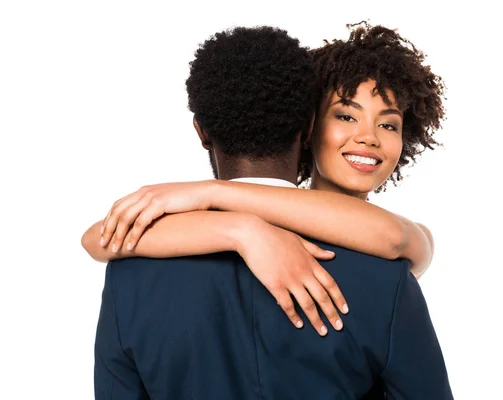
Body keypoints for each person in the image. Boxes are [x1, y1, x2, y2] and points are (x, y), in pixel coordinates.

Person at [88, 24, 453, 399]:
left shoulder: (131, 277)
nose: (368, 136)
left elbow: (101, 238)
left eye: (388, 123)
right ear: (309, 126)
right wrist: (241, 230)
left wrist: (216, 199)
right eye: (346, 115)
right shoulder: (386, 279)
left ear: (203, 130)